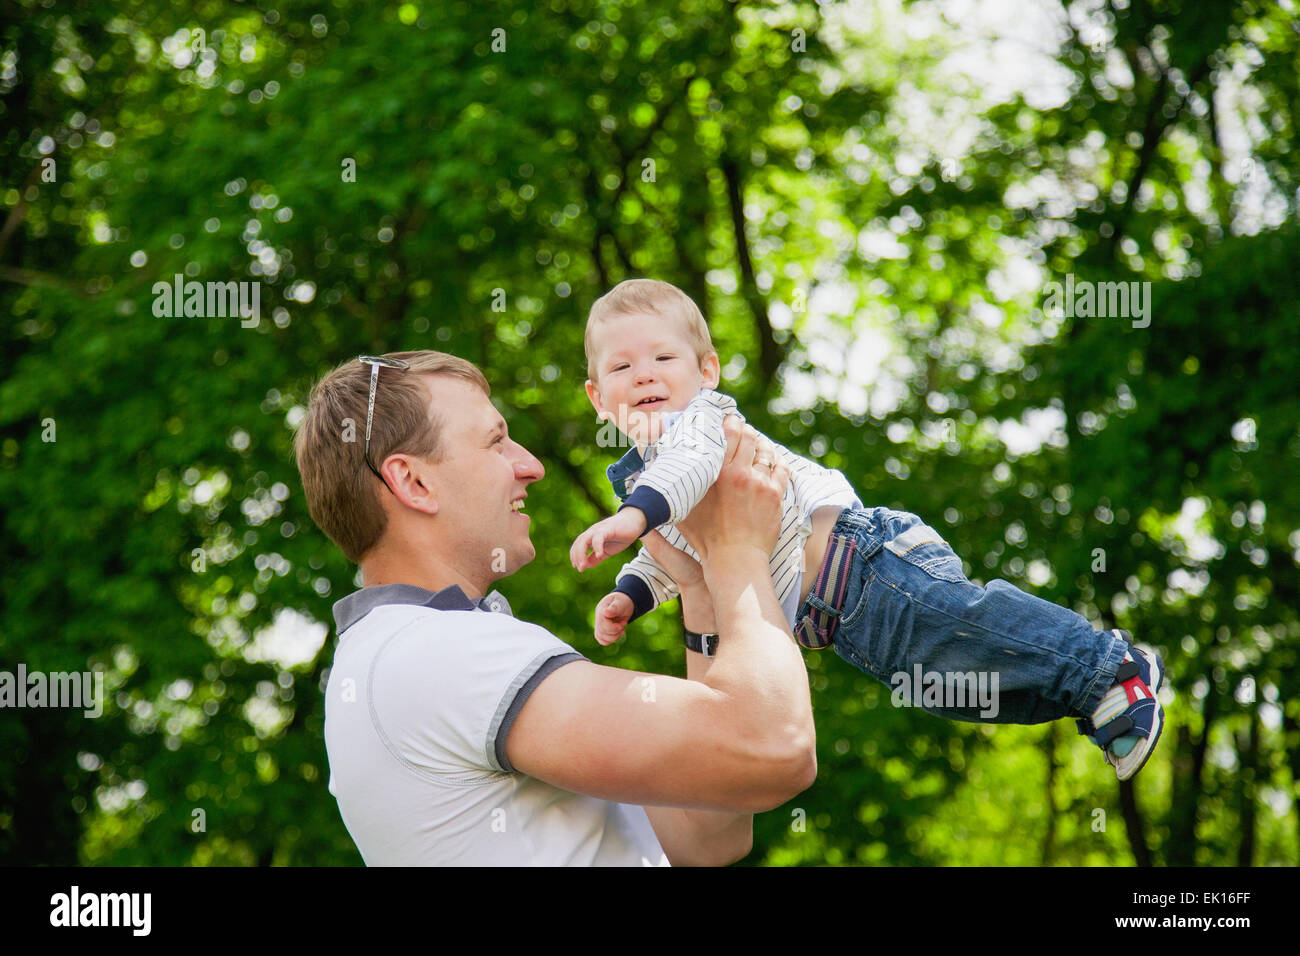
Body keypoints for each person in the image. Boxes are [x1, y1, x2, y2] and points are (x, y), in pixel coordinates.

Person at [570, 279, 1165, 782]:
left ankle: (1108, 668)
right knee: (950, 684)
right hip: (840, 622)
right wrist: (632, 592)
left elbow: (687, 473)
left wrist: (631, 517)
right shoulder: (647, 485)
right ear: (599, 397)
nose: (644, 375)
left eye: (663, 359)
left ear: (707, 372)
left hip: (863, 565)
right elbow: (679, 553)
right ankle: (1089, 699)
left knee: (966, 627)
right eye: (623, 367)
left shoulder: (701, 424)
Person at [294, 350, 816, 865]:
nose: (531, 466)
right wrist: (739, 551)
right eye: (496, 442)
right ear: (414, 482)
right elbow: (776, 749)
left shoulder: (398, 656)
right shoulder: (437, 653)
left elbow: (707, 834)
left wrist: (699, 590)